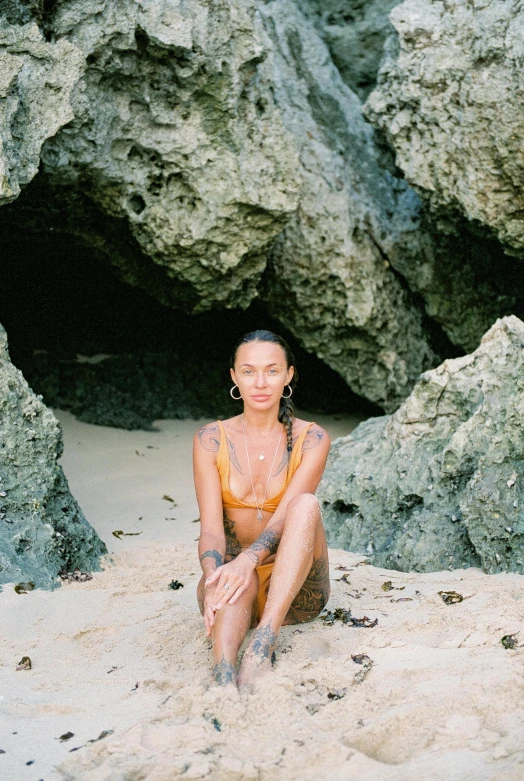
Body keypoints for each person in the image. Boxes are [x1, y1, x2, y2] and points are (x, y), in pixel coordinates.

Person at [193, 329, 331, 688]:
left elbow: (289, 516)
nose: (260, 382)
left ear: (288, 376)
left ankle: (263, 641)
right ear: (234, 377)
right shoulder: (210, 439)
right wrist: (213, 575)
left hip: (296, 585)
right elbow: (210, 528)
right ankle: (222, 674)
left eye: (272, 370)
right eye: (249, 370)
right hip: (237, 581)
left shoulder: (312, 438)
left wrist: (247, 560)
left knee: (305, 504)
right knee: (237, 579)